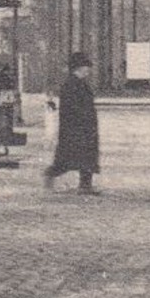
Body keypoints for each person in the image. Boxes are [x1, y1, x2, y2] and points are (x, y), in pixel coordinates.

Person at [45, 51, 100, 195]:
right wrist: (83, 121)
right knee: (71, 156)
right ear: (79, 68)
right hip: (77, 127)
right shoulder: (72, 84)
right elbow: (72, 107)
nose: (89, 69)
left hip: (82, 126)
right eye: (86, 66)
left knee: (83, 156)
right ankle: (50, 176)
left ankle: (85, 185)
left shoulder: (76, 83)